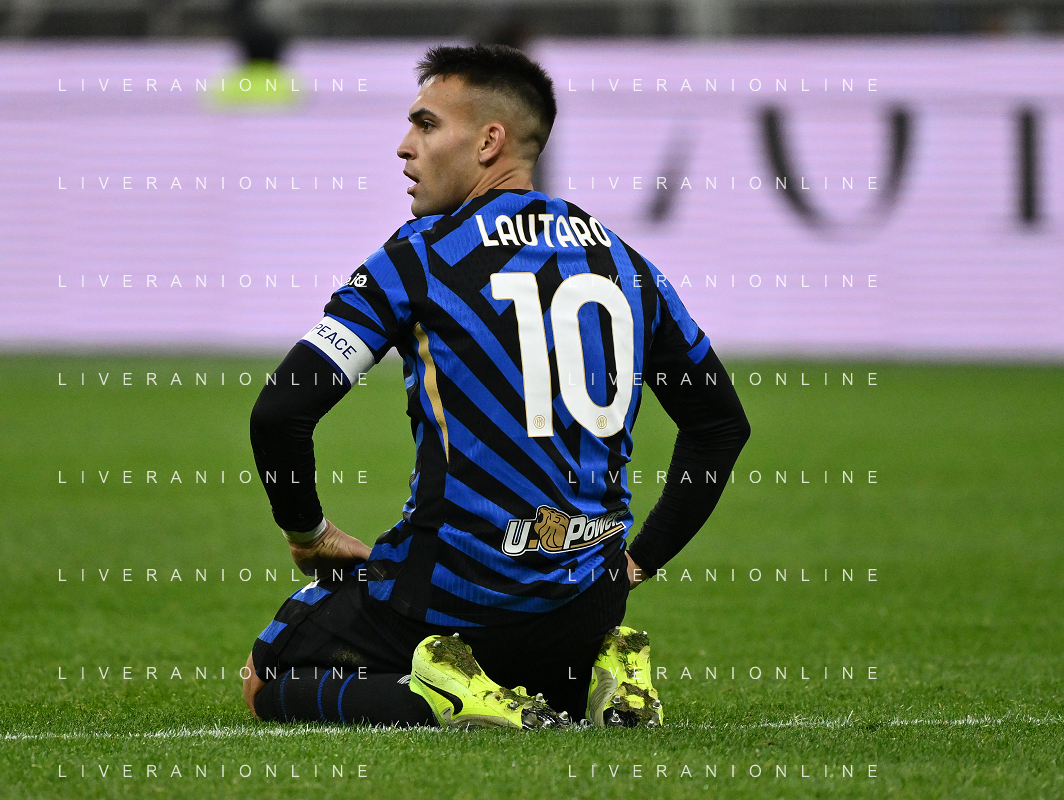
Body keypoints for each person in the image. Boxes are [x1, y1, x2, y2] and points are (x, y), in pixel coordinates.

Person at [242, 43, 750, 729]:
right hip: (586, 603)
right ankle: (599, 669)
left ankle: (440, 697)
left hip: (447, 598)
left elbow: (280, 412)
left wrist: (308, 533)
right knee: (543, 652)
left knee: (266, 679)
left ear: (488, 142)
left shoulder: (419, 255)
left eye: (426, 124)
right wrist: (637, 563)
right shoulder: (626, 264)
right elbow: (720, 426)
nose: (404, 146)